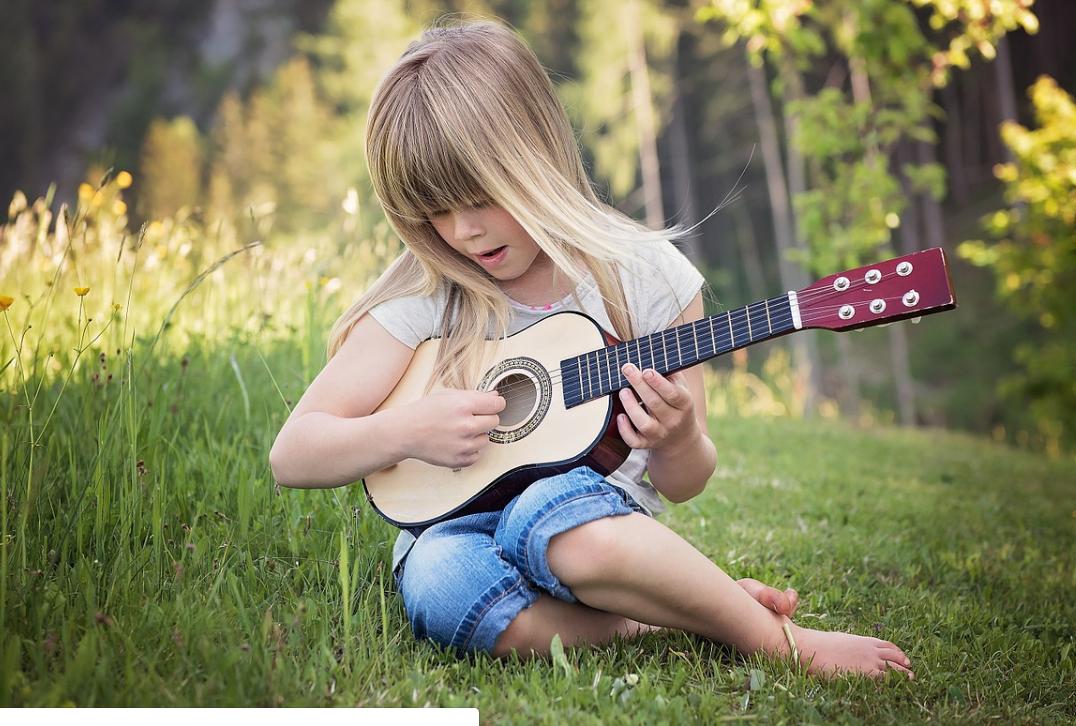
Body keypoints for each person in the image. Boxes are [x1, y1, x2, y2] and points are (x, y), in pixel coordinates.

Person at [268, 19, 913, 679]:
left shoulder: (643, 275)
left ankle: (778, 641)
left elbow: (683, 483)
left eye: (481, 197)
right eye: (434, 210)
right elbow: (293, 454)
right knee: (435, 584)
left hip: (591, 526)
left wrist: (676, 438)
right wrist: (402, 430)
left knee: (549, 514)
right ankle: (671, 613)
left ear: (536, 154)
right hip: (453, 528)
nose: (462, 230)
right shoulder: (427, 296)